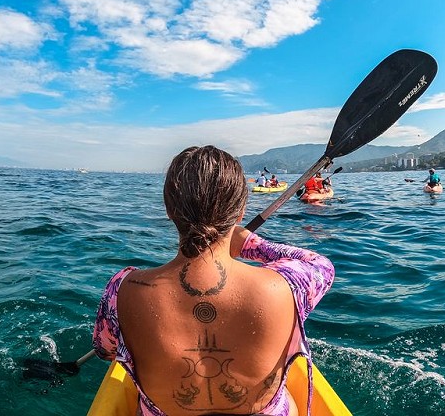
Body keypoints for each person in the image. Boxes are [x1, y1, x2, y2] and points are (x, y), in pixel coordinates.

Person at [93, 146, 335, 416]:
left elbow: (105, 350)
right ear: (240, 211)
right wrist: (251, 244)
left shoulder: (122, 288)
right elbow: (320, 265)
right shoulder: (286, 286)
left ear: (169, 209)